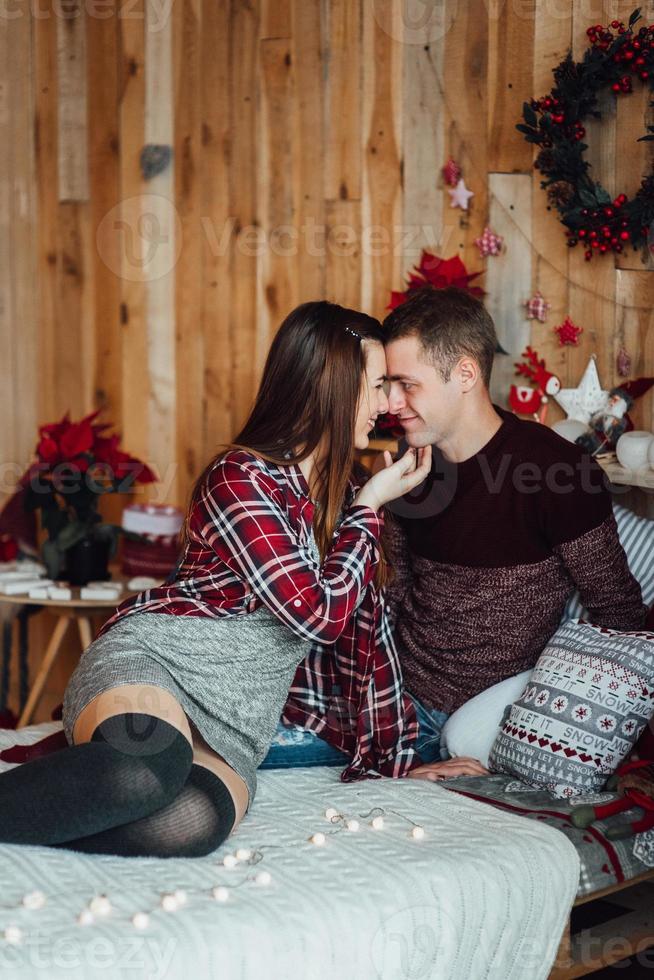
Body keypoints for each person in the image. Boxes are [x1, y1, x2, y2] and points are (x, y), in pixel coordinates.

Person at [0, 301, 437, 859]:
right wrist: (373, 504)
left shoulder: (344, 502)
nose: (391, 404)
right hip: (159, 664)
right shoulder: (241, 478)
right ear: (334, 383)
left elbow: (367, 638)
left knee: (193, 823)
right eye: (379, 386)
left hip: (236, 720)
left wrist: (400, 761)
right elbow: (317, 614)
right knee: (145, 770)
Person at [379, 285, 647, 757]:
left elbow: (619, 618)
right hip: (391, 693)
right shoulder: (411, 460)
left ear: (464, 374)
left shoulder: (556, 471)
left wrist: (518, 751)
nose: (391, 403)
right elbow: (392, 589)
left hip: (479, 716)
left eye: (407, 385)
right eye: (388, 386)